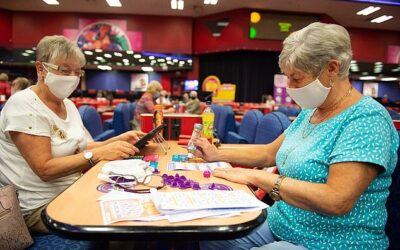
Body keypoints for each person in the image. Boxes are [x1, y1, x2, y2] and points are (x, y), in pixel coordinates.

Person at [195, 22, 399, 250]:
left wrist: (258, 178)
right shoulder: (312, 111)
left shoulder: (366, 119)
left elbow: (336, 200)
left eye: (297, 78)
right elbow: (268, 152)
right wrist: (215, 153)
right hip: (283, 224)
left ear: (332, 68)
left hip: (333, 241)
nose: (290, 87)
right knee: (210, 233)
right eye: (287, 78)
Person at [0, 35, 145, 234]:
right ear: (41, 68)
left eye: (77, 72)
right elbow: (45, 169)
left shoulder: (67, 104)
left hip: (73, 189)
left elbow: (83, 147)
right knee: (120, 224)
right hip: (38, 206)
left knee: (134, 203)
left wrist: (117, 140)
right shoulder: (23, 105)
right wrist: (97, 155)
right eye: (64, 70)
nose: (72, 77)